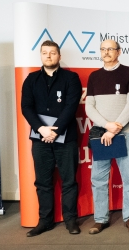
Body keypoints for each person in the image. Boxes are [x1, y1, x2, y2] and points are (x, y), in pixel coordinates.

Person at [20, 40, 83, 236]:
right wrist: (41, 129)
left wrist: (55, 130)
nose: (48, 56)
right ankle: (45, 221)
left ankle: (70, 220)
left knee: (69, 181)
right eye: (45, 52)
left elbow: (71, 106)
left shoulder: (71, 78)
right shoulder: (31, 79)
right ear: (40, 55)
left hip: (66, 137)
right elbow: (26, 107)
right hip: (40, 139)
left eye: (52, 53)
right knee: (43, 182)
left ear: (59, 56)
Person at [84, 39, 129, 234]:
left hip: (124, 134)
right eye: (103, 49)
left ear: (119, 51)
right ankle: (100, 219)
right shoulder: (94, 76)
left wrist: (114, 129)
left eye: (110, 49)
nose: (106, 52)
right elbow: (89, 107)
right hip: (101, 134)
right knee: (98, 179)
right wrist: (106, 126)